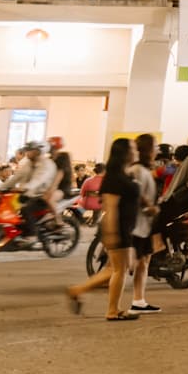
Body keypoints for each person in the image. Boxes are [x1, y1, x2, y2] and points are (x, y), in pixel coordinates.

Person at [64, 137, 139, 322]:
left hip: (125, 226)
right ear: (124, 153)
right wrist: (112, 233)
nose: (136, 151)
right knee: (119, 270)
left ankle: (77, 291)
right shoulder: (115, 178)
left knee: (112, 269)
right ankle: (113, 311)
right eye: (133, 149)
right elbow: (110, 208)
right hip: (118, 227)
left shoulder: (123, 175)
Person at [126, 134, 161, 315]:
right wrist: (150, 207)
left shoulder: (146, 169)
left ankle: (139, 301)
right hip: (136, 225)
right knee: (125, 266)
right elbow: (136, 194)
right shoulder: (138, 170)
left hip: (144, 225)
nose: (157, 150)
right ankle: (80, 290)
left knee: (143, 262)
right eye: (154, 146)